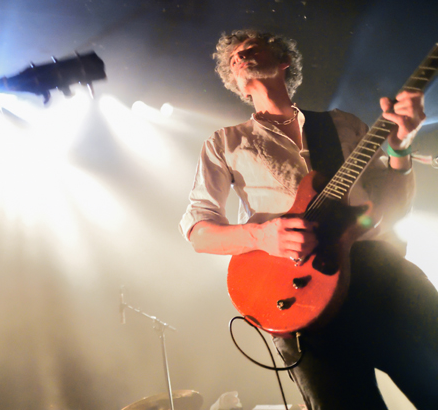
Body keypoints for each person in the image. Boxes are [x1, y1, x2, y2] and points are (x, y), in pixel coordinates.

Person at [179, 30, 438, 409]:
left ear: (284, 61)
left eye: (252, 48)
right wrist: (262, 236)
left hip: (382, 279)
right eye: (233, 56)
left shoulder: (343, 125)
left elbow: (392, 210)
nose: (241, 55)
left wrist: (400, 148)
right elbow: (198, 232)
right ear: (234, 81)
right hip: (301, 301)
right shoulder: (225, 143)